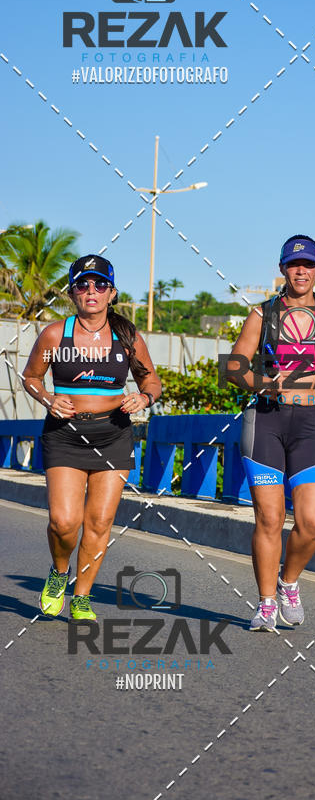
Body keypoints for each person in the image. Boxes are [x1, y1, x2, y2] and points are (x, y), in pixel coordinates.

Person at [22, 255, 162, 622]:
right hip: (65, 436)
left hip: (113, 434)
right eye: (83, 284)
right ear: (72, 293)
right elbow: (31, 378)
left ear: (112, 293)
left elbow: (151, 380)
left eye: (100, 284)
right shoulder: (55, 334)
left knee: (99, 522)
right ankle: (59, 571)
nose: (91, 291)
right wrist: (48, 399)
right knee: (63, 522)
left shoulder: (128, 337)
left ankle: (81, 597)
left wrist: (144, 398)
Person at [228, 235, 315, 631]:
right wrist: (263, 384)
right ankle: (266, 603)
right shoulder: (261, 314)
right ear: (282, 268)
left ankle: (288, 582)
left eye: (308, 264)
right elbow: (234, 366)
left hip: (309, 424)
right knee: (270, 517)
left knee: (312, 521)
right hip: (265, 422)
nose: (301, 271)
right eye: (294, 264)